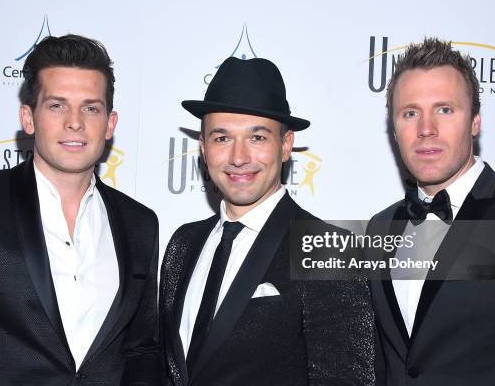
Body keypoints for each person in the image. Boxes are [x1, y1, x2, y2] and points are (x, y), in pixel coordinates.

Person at [0, 34, 161, 385]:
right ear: (28, 117)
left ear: (110, 123)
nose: (75, 122)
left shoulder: (139, 224)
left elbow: (141, 349)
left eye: (91, 107)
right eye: (57, 105)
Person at [160, 56, 375, 386]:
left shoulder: (326, 250)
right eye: (222, 138)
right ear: (203, 148)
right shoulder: (183, 244)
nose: (239, 157)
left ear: (286, 145)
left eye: (257, 137)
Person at [366, 38, 495, 385]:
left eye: (445, 109)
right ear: (394, 128)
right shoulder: (380, 227)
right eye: (410, 113)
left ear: (475, 121)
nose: (426, 129)